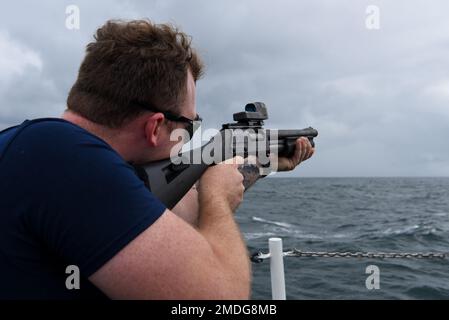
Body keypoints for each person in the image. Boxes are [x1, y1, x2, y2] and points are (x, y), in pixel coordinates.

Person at [0, 20, 314, 299]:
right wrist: (217, 200)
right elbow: (223, 297)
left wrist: (259, 164)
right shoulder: (70, 162)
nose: (191, 135)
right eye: (190, 125)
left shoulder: (44, 149)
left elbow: (167, 215)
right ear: (154, 127)